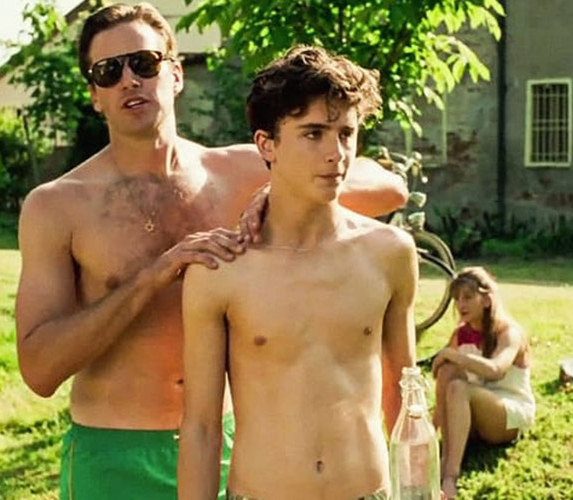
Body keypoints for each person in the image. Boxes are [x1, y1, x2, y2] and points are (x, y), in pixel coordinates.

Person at [14, 3, 408, 500]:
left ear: (176, 74)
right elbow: (40, 370)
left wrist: (275, 189)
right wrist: (156, 274)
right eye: (109, 72)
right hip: (115, 452)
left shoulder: (236, 171)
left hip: (224, 445)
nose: (130, 80)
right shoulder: (56, 206)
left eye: (145, 63)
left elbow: (389, 187)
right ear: (94, 95)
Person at [178, 46, 417, 500]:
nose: (336, 153)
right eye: (313, 134)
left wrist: (423, 485)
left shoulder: (390, 254)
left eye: (346, 133)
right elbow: (202, 427)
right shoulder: (220, 272)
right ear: (266, 144)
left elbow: (407, 400)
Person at [431, 267, 535, 498]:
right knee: (448, 372)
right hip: (474, 410)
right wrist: (430, 429)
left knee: (458, 386)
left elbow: (496, 370)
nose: (461, 304)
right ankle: (438, 452)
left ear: (487, 300)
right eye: (457, 298)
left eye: (468, 297)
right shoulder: (461, 334)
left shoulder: (509, 333)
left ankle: (450, 476)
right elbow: (443, 382)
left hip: (509, 414)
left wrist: (452, 355)